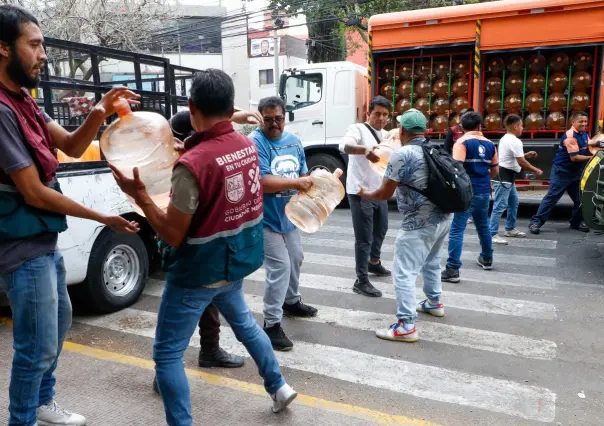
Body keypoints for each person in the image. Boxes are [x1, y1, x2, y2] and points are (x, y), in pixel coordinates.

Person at [111, 69, 297, 426]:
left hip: (197, 271)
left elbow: (173, 234)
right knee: (244, 324)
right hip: (233, 262)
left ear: (191, 106)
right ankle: (278, 385)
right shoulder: (245, 146)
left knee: (167, 355)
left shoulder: (191, 165)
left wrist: (140, 198)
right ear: (231, 109)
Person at [0, 5, 140, 425]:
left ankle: (43, 402)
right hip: (21, 245)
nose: (43, 54)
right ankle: (22, 418)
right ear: (4, 49)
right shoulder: (2, 112)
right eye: (35, 44)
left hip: (43, 241)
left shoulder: (24, 100)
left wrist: (100, 109)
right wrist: (104, 216)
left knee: (57, 326)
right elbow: (33, 192)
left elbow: (74, 147)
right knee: (35, 345)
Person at [149, 108, 265, 393]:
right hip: (185, 245)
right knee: (177, 330)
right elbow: (173, 225)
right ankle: (166, 373)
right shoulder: (183, 161)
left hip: (205, 248)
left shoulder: (200, 154)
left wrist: (236, 114)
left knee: (211, 310)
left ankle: (207, 351)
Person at [358, 109, 451, 343]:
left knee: (404, 272)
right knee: (431, 261)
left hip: (419, 222)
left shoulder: (402, 154)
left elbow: (383, 192)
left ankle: (406, 325)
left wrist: (364, 194)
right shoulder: (434, 148)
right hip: (444, 217)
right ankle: (433, 302)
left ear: (402, 131)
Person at [249, 96, 318, 352]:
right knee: (280, 267)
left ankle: (291, 301)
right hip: (265, 218)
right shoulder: (256, 142)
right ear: (261, 119)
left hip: (290, 217)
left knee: (296, 258)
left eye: (278, 119)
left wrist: (307, 185)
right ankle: (271, 324)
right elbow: (264, 181)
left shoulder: (294, 142)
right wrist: (297, 184)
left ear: (284, 117)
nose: (274, 124)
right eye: (268, 120)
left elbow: (302, 171)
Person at [339, 95, 393, 298]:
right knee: (364, 238)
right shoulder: (358, 129)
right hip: (360, 192)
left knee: (381, 229)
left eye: (385, 115)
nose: (381, 118)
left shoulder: (387, 135)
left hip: (379, 191)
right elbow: (345, 146)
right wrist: (365, 150)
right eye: (377, 113)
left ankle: (374, 262)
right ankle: (361, 280)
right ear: (368, 113)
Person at [442, 112, 499, 283]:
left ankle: (452, 269)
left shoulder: (462, 142)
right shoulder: (490, 144)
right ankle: (487, 258)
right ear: (480, 126)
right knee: (483, 225)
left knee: (457, 228)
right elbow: (495, 170)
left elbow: (457, 169)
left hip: (466, 192)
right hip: (483, 191)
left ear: (461, 127)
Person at [529, 111, 596, 234]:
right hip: (562, 172)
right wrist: (593, 158)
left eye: (585, 121)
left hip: (576, 173)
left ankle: (576, 222)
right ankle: (536, 222)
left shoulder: (584, 134)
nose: (584, 123)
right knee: (552, 198)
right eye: (581, 121)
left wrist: (599, 144)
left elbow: (591, 144)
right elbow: (574, 158)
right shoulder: (570, 135)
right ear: (573, 122)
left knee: (581, 199)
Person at [489, 115, 543, 244]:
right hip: (504, 177)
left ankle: (510, 229)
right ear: (515, 126)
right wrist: (536, 170)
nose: (522, 128)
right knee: (500, 206)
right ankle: (492, 233)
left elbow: (512, 157)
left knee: (513, 202)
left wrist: (525, 155)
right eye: (521, 125)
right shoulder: (515, 141)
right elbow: (521, 162)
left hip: (506, 176)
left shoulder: (505, 139)